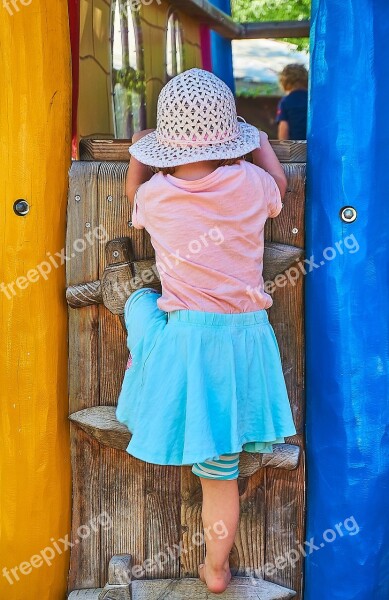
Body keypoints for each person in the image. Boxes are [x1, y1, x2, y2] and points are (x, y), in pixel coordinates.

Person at [115, 68, 297, 594]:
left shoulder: (158, 196)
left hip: (187, 344)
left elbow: (134, 203)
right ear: (232, 137)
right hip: (245, 343)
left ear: (164, 146)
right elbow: (279, 186)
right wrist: (262, 145)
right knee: (221, 476)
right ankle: (217, 570)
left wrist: (135, 157)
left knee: (139, 304)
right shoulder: (250, 183)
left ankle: (147, 383)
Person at [276, 63, 308, 140]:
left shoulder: (285, 101)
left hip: (295, 146)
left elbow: (283, 127)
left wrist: (284, 148)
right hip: (316, 144)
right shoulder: (312, 99)